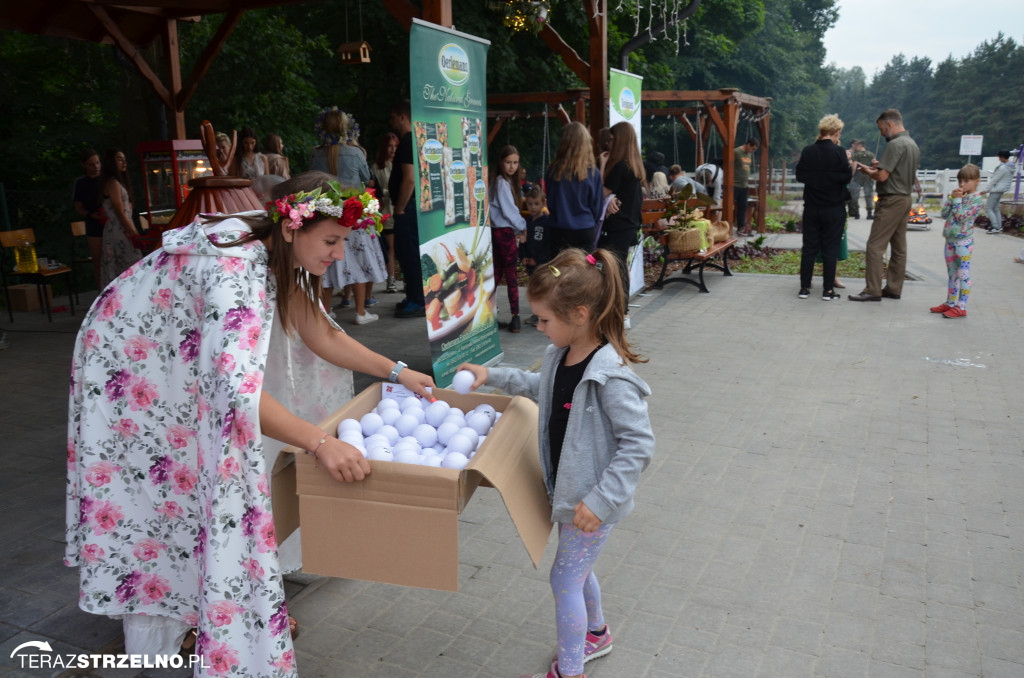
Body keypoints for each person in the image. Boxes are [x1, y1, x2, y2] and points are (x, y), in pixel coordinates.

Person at [65, 171, 435, 676]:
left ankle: (217, 608)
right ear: (290, 228)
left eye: (344, 242)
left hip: (176, 359)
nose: (337, 254)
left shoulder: (281, 254)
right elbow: (237, 392)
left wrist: (397, 371)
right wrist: (320, 442)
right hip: (131, 362)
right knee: (171, 484)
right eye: (330, 241)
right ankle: (188, 617)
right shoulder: (232, 273)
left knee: (209, 475)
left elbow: (317, 333)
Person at [458, 248, 654, 678]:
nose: (539, 326)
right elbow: (537, 387)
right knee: (576, 570)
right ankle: (596, 634)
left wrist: (601, 501)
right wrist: (491, 377)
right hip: (573, 496)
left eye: (545, 320)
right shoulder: (559, 356)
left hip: (593, 502)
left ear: (580, 315)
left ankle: (570, 671)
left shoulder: (611, 375)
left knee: (564, 579)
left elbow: (639, 444)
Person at [311, 110, 384, 325]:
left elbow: (312, 181)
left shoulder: (316, 154)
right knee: (358, 263)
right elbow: (367, 179)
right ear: (347, 128)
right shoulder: (355, 153)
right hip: (353, 216)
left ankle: (326, 311)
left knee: (326, 263)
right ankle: (361, 313)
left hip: (325, 216)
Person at [848, 109, 920, 302]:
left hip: (890, 200)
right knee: (899, 246)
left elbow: (882, 176)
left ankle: (872, 289)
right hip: (905, 198)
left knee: (874, 246)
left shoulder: (895, 145)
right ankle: (894, 288)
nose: (881, 133)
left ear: (889, 124)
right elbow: (903, 172)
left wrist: (867, 171)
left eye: (881, 128)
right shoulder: (912, 144)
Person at [794, 114, 853, 301]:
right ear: (836, 132)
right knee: (831, 248)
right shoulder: (839, 152)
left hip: (812, 206)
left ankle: (804, 288)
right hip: (834, 208)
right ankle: (828, 291)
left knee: (809, 247)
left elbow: (800, 176)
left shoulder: (808, 151)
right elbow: (846, 178)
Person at [598, 121, 645, 320]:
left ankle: (621, 312)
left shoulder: (619, 166)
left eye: (611, 139)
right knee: (621, 266)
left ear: (620, 140)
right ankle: (621, 311)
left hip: (618, 225)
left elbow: (600, 192)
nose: (608, 143)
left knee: (615, 268)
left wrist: (601, 166)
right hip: (630, 223)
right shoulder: (634, 165)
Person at [389, 100, 426, 318]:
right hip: (411, 206)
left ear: (403, 116)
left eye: (393, 116)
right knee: (406, 253)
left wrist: (400, 208)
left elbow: (410, 179)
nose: (391, 121)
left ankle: (419, 300)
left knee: (410, 253)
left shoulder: (408, 141)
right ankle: (413, 295)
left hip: (408, 207)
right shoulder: (413, 140)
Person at [931, 164, 983, 319]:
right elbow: (944, 213)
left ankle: (961, 306)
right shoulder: (958, 196)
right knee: (952, 274)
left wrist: (957, 201)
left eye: (966, 181)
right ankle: (950, 302)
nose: (961, 184)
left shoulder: (976, 199)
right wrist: (951, 198)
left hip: (964, 243)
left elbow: (962, 217)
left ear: (976, 181)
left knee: (963, 274)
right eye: (960, 180)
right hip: (950, 240)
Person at [544, 122, 604, 255]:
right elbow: (597, 207)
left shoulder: (553, 171)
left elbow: (551, 202)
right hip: (584, 229)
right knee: (584, 273)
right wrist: (586, 221)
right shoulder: (593, 172)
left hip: (558, 229)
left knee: (558, 273)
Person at [490, 145, 528, 333]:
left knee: (496, 274)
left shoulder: (498, 182)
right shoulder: (502, 183)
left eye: (515, 162)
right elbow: (509, 212)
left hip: (496, 231)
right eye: (508, 162)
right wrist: (523, 226)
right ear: (501, 162)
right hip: (504, 233)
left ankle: (489, 315)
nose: (512, 166)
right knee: (511, 275)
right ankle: (515, 317)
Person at [99, 149, 141, 288]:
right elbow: (119, 212)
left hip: (125, 227)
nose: (124, 162)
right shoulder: (112, 183)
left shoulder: (120, 183)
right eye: (119, 159)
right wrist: (132, 233)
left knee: (133, 261)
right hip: (119, 230)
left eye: (124, 159)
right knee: (128, 263)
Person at [369, 132, 400, 293]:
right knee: (390, 246)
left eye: (395, 146)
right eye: (390, 145)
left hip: (400, 209)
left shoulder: (401, 164)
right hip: (386, 211)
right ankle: (391, 278)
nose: (393, 149)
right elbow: (377, 190)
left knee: (403, 246)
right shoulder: (377, 167)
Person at [72, 148, 104, 288]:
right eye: (91, 164)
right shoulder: (81, 183)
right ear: (84, 165)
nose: (96, 167)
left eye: (97, 163)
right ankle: (100, 290)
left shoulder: (107, 180)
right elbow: (78, 206)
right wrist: (89, 214)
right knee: (97, 259)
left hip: (110, 221)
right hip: (93, 223)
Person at [984, 150, 1014, 233]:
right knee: (995, 208)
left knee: (989, 208)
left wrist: (986, 190)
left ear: (1003, 157)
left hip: (996, 189)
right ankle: (999, 226)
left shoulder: (1003, 167)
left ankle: (995, 227)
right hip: (1002, 189)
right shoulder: (1010, 167)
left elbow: (995, 179)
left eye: (999, 157)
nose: (999, 159)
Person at [733, 138, 759, 235]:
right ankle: (725, 227)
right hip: (734, 184)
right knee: (729, 206)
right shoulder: (736, 152)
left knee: (742, 207)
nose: (752, 151)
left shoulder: (749, 154)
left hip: (744, 185)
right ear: (748, 144)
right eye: (752, 149)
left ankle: (741, 228)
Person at [848, 139, 875, 219]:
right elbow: (874, 165)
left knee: (855, 195)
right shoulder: (871, 154)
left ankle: (857, 213)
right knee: (868, 195)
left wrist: (852, 176)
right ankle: (869, 214)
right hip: (868, 175)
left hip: (858, 176)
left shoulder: (856, 155)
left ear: (860, 146)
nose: (856, 148)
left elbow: (855, 166)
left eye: (857, 146)